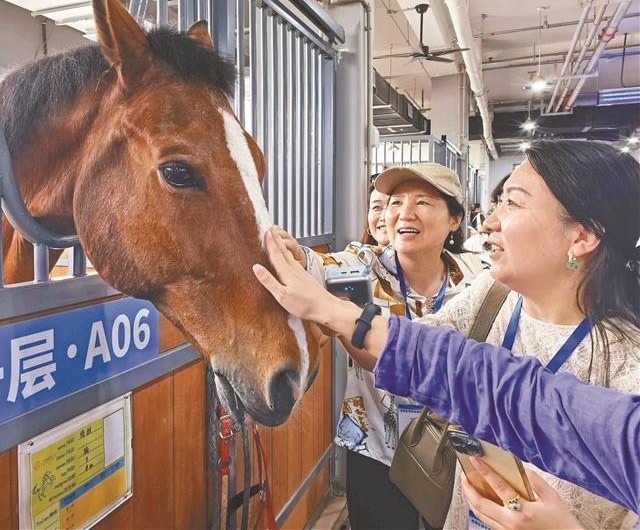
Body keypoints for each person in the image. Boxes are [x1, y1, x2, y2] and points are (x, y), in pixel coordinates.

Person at [255, 140, 640, 529]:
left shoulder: (627, 365)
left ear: (581, 239)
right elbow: (421, 352)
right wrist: (303, 266)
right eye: (394, 202)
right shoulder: (492, 292)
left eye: (513, 203)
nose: (489, 222)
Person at [284, 163, 482, 529]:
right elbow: (310, 263)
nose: (404, 213)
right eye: (395, 202)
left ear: (455, 220)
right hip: (377, 450)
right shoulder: (360, 266)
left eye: (423, 202)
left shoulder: (477, 279)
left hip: (460, 452)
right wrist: (289, 251)